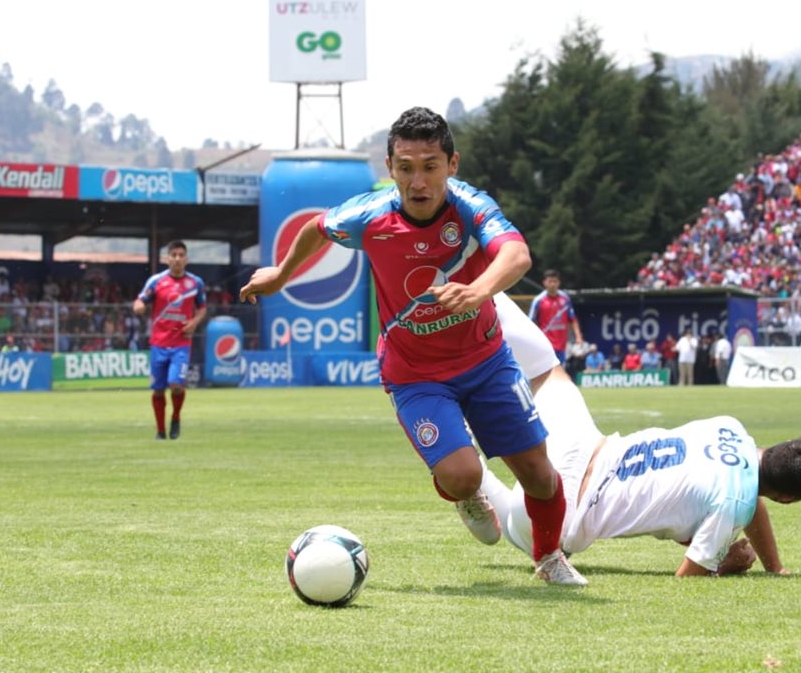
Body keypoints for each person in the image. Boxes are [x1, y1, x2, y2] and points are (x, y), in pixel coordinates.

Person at [239, 106, 585, 586]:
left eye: (429, 166)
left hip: (486, 362)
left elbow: (516, 253)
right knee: (462, 474)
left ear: (452, 165)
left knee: (538, 474)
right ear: (390, 167)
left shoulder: (470, 206)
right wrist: (279, 274)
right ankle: (466, 495)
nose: (417, 181)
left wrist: (479, 290)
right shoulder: (370, 216)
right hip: (415, 373)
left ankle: (549, 559)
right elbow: (317, 228)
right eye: (405, 168)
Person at [486, 291, 801, 576]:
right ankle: (467, 474)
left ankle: (479, 285)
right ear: (788, 499)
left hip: (584, 445)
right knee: (505, 510)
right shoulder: (733, 503)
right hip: (563, 515)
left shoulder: (731, 427)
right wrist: (724, 564)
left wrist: (774, 566)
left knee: (546, 369)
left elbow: (750, 494)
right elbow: (690, 573)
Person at [133, 240, 207, 441]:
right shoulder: (156, 282)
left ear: (186, 259)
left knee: (175, 384)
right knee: (158, 391)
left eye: (180, 255)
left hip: (181, 344)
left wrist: (194, 322)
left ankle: (175, 417)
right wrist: (138, 306)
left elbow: (202, 307)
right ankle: (160, 430)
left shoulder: (195, 283)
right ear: (167, 259)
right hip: (158, 343)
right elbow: (140, 300)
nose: (177, 259)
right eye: (173, 255)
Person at [527, 269, 584, 364]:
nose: (552, 284)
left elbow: (573, 319)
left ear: (559, 282)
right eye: (550, 281)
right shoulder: (539, 300)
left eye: (555, 281)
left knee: (561, 371)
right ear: (544, 283)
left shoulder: (565, 299)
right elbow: (530, 322)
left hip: (562, 345)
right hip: (545, 345)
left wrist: (578, 337)